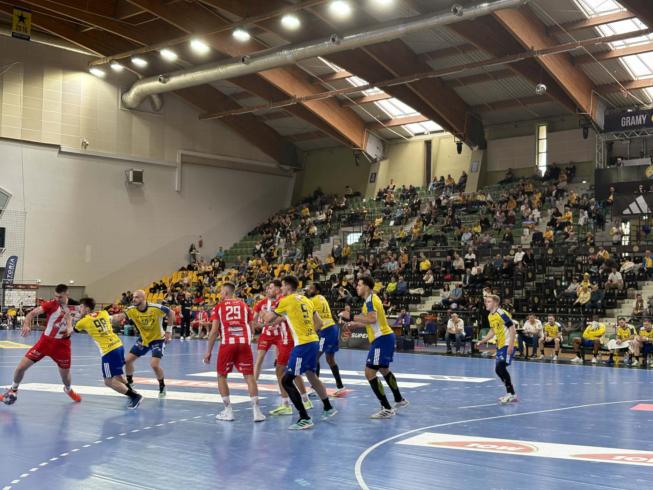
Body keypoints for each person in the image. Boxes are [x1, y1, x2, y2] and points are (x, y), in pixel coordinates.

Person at [262, 276, 337, 430]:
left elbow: (268, 319)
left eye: (282, 286)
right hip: (314, 341)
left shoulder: (286, 301)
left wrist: (264, 311)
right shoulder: (306, 300)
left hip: (302, 344)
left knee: (286, 381)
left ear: (288, 287)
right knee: (311, 375)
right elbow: (319, 323)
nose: (281, 289)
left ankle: (305, 418)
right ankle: (328, 407)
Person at [2, 284, 81, 405]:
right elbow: (31, 314)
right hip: (44, 343)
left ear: (67, 294)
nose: (57, 299)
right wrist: (26, 324)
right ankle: (13, 390)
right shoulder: (51, 304)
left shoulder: (77, 307)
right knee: (21, 367)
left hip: (62, 346)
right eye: (55, 296)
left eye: (60, 297)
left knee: (65, 377)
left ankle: (68, 389)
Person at [344, 276, 408, 419]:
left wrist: (351, 316)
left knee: (369, 372)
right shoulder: (371, 300)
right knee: (384, 369)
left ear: (367, 286)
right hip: (385, 337)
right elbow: (370, 321)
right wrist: (355, 324)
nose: (357, 287)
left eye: (359, 285)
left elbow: (372, 319)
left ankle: (387, 408)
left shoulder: (371, 300)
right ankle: (399, 399)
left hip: (381, 339)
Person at [203, 283, 265, 423]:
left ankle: (228, 411)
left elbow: (214, 331)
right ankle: (257, 412)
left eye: (221, 291)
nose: (220, 294)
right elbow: (252, 328)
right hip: (244, 343)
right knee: (249, 376)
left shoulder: (219, 307)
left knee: (221, 376)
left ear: (226, 292)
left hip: (227, 344)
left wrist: (208, 351)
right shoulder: (244, 306)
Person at [253, 280, 309, 416]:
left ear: (279, 289)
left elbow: (273, 319)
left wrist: (265, 316)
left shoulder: (283, 300)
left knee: (282, 370)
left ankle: (287, 404)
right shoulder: (298, 299)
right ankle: (306, 400)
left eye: (272, 287)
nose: (268, 289)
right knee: (293, 371)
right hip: (295, 338)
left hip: (286, 338)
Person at [74, 298, 143, 409]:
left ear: (87, 309)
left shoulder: (83, 321)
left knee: (108, 381)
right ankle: (131, 391)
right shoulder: (103, 313)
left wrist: (69, 319)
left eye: (81, 307)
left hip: (109, 351)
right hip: (118, 345)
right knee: (118, 375)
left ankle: (135, 396)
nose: (79, 309)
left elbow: (72, 331)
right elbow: (114, 319)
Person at [112, 290, 175, 398]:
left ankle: (162, 386)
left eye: (137, 297)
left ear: (143, 298)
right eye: (133, 297)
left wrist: (169, 331)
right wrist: (110, 319)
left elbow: (171, 313)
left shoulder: (155, 308)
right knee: (127, 361)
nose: (134, 299)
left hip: (158, 339)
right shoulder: (131, 310)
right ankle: (130, 383)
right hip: (144, 340)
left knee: (154, 365)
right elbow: (119, 317)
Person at [307, 283, 347, 397]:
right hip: (333, 328)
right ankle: (340, 387)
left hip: (326, 330)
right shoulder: (322, 298)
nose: (309, 290)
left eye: (311, 288)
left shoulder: (312, 300)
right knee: (330, 359)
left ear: (317, 291)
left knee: (315, 357)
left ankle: (315, 387)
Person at [479, 294, 518, 404]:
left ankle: (511, 394)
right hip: (500, 345)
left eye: (489, 301)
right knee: (498, 370)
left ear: (495, 303)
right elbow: (492, 331)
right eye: (486, 301)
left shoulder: (501, 313)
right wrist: (482, 341)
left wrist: (511, 345)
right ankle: (511, 393)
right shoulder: (490, 316)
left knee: (501, 367)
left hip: (508, 344)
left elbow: (512, 329)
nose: (486, 303)